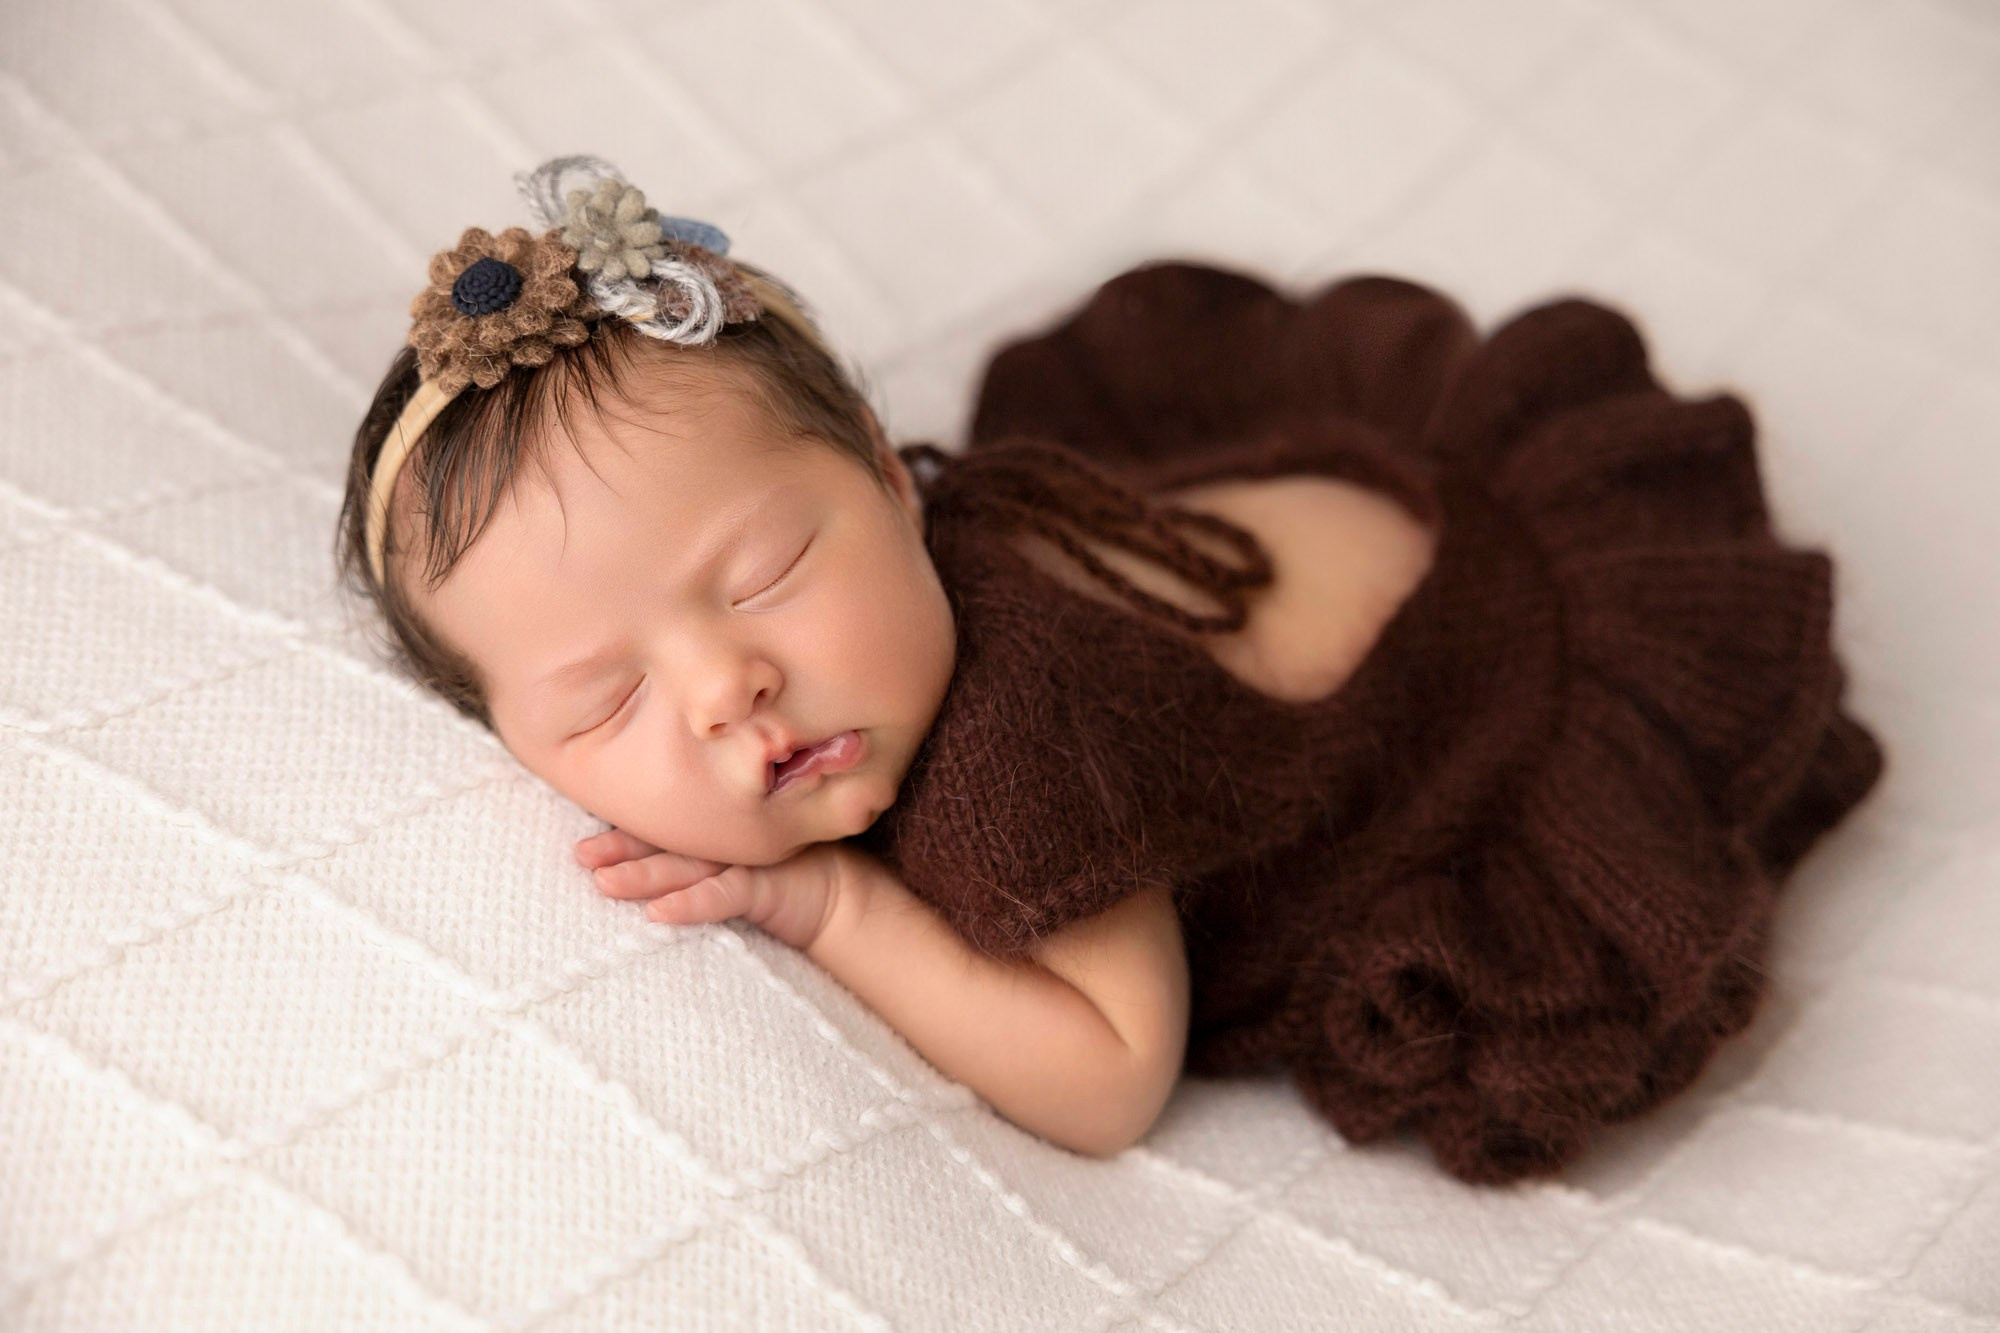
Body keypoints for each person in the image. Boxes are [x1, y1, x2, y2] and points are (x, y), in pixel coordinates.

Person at [337, 155, 1885, 1184]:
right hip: (1299, 526)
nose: (726, 684)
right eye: (605, 701)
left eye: (765, 575)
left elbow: (1110, 1073)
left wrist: (825, 899)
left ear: (890, 475)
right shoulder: (880, 641)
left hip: (1493, 667)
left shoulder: (1026, 745)